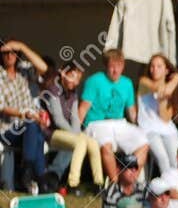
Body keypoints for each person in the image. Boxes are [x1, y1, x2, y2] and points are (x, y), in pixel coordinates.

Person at [82, 49, 150, 182]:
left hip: (119, 122)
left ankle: (130, 181)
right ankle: (116, 185)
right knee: (106, 146)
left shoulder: (127, 83)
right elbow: (83, 108)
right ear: (106, 66)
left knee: (143, 142)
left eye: (119, 66)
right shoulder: (94, 80)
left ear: (123, 66)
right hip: (97, 123)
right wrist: (78, 131)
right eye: (112, 66)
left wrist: (145, 124)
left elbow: (132, 112)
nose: (115, 70)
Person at [38, 62, 101, 190]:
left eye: (78, 78)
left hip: (68, 133)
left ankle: (98, 183)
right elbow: (58, 119)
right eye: (72, 76)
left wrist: (77, 133)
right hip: (51, 133)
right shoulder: (53, 90)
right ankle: (72, 182)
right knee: (79, 143)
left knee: (93, 143)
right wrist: (76, 135)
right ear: (63, 73)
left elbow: (75, 117)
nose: (76, 81)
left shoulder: (73, 93)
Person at [0, 45, 51, 191]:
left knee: (36, 133)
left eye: (13, 52)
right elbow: (2, 107)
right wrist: (23, 114)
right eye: (5, 52)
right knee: (32, 127)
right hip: (7, 129)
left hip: (28, 125)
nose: (9, 55)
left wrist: (21, 45)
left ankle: (33, 177)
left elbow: (44, 68)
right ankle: (37, 177)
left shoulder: (24, 71)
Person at [137, 52, 178, 177]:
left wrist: (163, 99)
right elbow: (158, 88)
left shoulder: (169, 90)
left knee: (176, 161)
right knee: (163, 159)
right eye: (152, 66)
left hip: (167, 130)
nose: (154, 69)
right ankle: (168, 190)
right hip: (148, 130)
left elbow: (165, 118)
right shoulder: (144, 82)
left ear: (166, 70)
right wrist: (176, 79)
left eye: (159, 66)